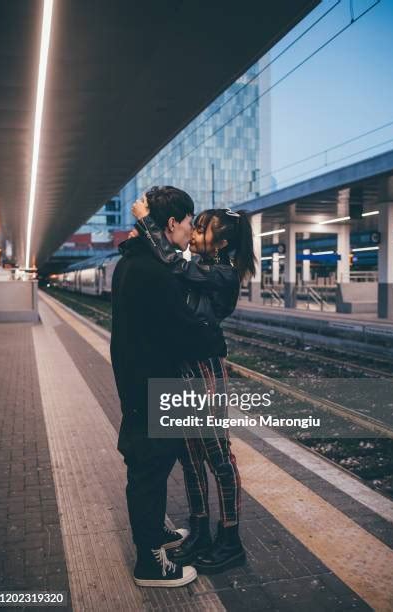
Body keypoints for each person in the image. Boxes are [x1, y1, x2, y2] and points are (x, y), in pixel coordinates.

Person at [132, 189, 256, 574]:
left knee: (218, 455)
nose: (194, 233)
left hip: (205, 369)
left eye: (201, 229)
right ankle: (201, 530)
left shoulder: (221, 271)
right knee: (188, 455)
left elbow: (172, 262)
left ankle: (230, 538)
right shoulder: (203, 263)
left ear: (221, 241)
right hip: (183, 366)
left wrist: (147, 222)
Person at [111, 186, 227, 587]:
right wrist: (214, 338)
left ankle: (156, 536)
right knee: (150, 469)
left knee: (147, 463)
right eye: (189, 222)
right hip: (152, 383)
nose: (192, 230)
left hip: (137, 378)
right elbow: (182, 330)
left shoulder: (131, 262)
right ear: (172, 223)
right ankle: (151, 565)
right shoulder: (155, 270)